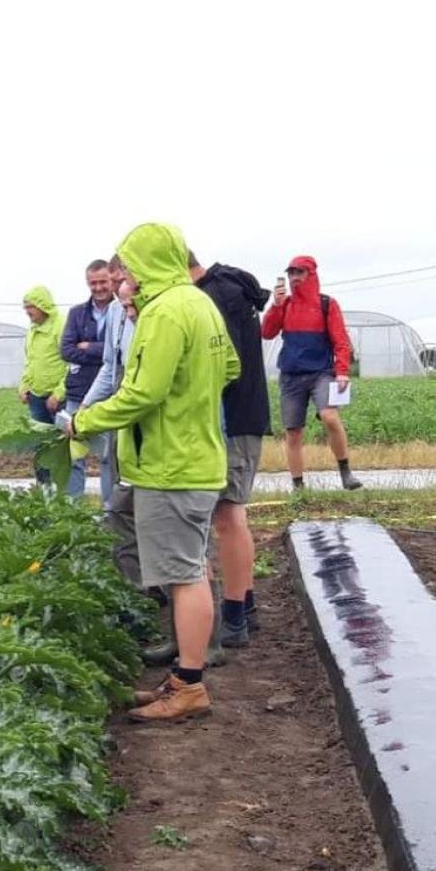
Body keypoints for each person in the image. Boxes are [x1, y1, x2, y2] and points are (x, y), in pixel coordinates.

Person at [63, 223, 238, 724]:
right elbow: (229, 369)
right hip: (194, 455)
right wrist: (192, 402)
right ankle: (184, 676)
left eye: (131, 266)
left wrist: (83, 421)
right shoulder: (199, 303)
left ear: (151, 262)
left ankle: (189, 686)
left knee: (184, 576)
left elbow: (142, 393)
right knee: (189, 567)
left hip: (171, 464)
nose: (126, 276)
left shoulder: (163, 312)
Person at [191, 252, 271, 646]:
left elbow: (223, 366)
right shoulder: (220, 290)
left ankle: (235, 619)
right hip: (237, 418)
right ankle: (247, 606)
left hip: (235, 420)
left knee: (227, 515)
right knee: (228, 514)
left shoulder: (217, 296)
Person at [261, 254, 362, 490]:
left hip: (321, 373)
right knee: (293, 433)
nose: (294, 278)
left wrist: (342, 371)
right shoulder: (284, 305)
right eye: (291, 273)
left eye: (299, 272)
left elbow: (341, 341)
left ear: (311, 274)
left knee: (329, 417)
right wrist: (274, 307)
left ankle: (346, 473)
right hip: (291, 376)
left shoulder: (327, 304)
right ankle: (298, 486)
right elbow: (266, 332)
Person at [80, 273, 140, 586]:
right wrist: (86, 406)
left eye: (120, 279)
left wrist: (87, 421)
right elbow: (109, 366)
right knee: (122, 501)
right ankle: (132, 588)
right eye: (114, 281)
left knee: (137, 504)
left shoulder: (154, 313)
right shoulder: (117, 312)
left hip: (141, 411)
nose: (115, 288)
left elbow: (142, 390)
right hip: (122, 411)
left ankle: (152, 586)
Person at [59, 262, 115, 498]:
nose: (99, 287)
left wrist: (89, 346)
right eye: (93, 283)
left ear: (111, 280)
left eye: (103, 282)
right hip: (78, 392)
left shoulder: (122, 310)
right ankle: (73, 509)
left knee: (108, 456)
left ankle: (109, 511)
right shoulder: (77, 313)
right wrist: (103, 352)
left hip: (109, 394)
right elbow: (66, 350)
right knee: (73, 455)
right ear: (87, 283)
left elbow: (121, 352)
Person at [18, 285, 65, 485]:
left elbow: (72, 364)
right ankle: (43, 488)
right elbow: (31, 362)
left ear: (43, 306)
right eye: (26, 307)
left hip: (58, 399)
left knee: (61, 446)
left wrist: (59, 393)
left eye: (31, 307)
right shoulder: (32, 330)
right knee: (40, 444)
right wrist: (24, 385)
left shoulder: (61, 326)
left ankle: (62, 490)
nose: (28, 312)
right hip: (36, 398)